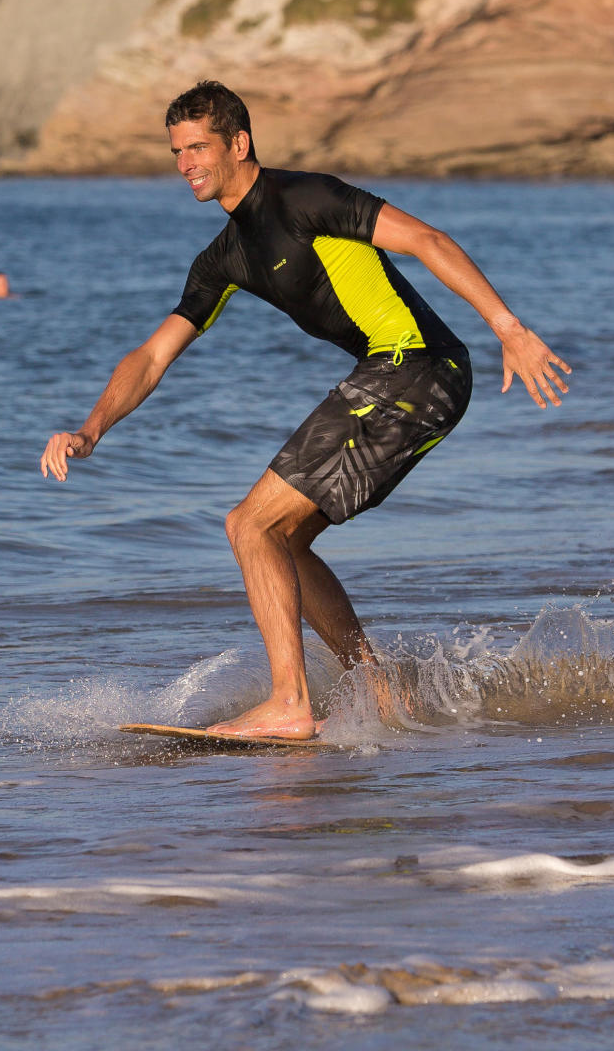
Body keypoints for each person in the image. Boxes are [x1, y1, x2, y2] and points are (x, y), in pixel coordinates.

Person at [40, 81, 569, 739]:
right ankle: (376, 687)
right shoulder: (226, 256)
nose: (186, 164)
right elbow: (151, 357)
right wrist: (90, 429)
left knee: (247, 525)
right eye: (177, 152)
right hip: (402, 376)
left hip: (415, 365)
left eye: (199, 147)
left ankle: (289, 703)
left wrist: (508, 328)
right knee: (283, 539)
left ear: (240, 143)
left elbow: (427, 240)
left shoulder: (306, 198)